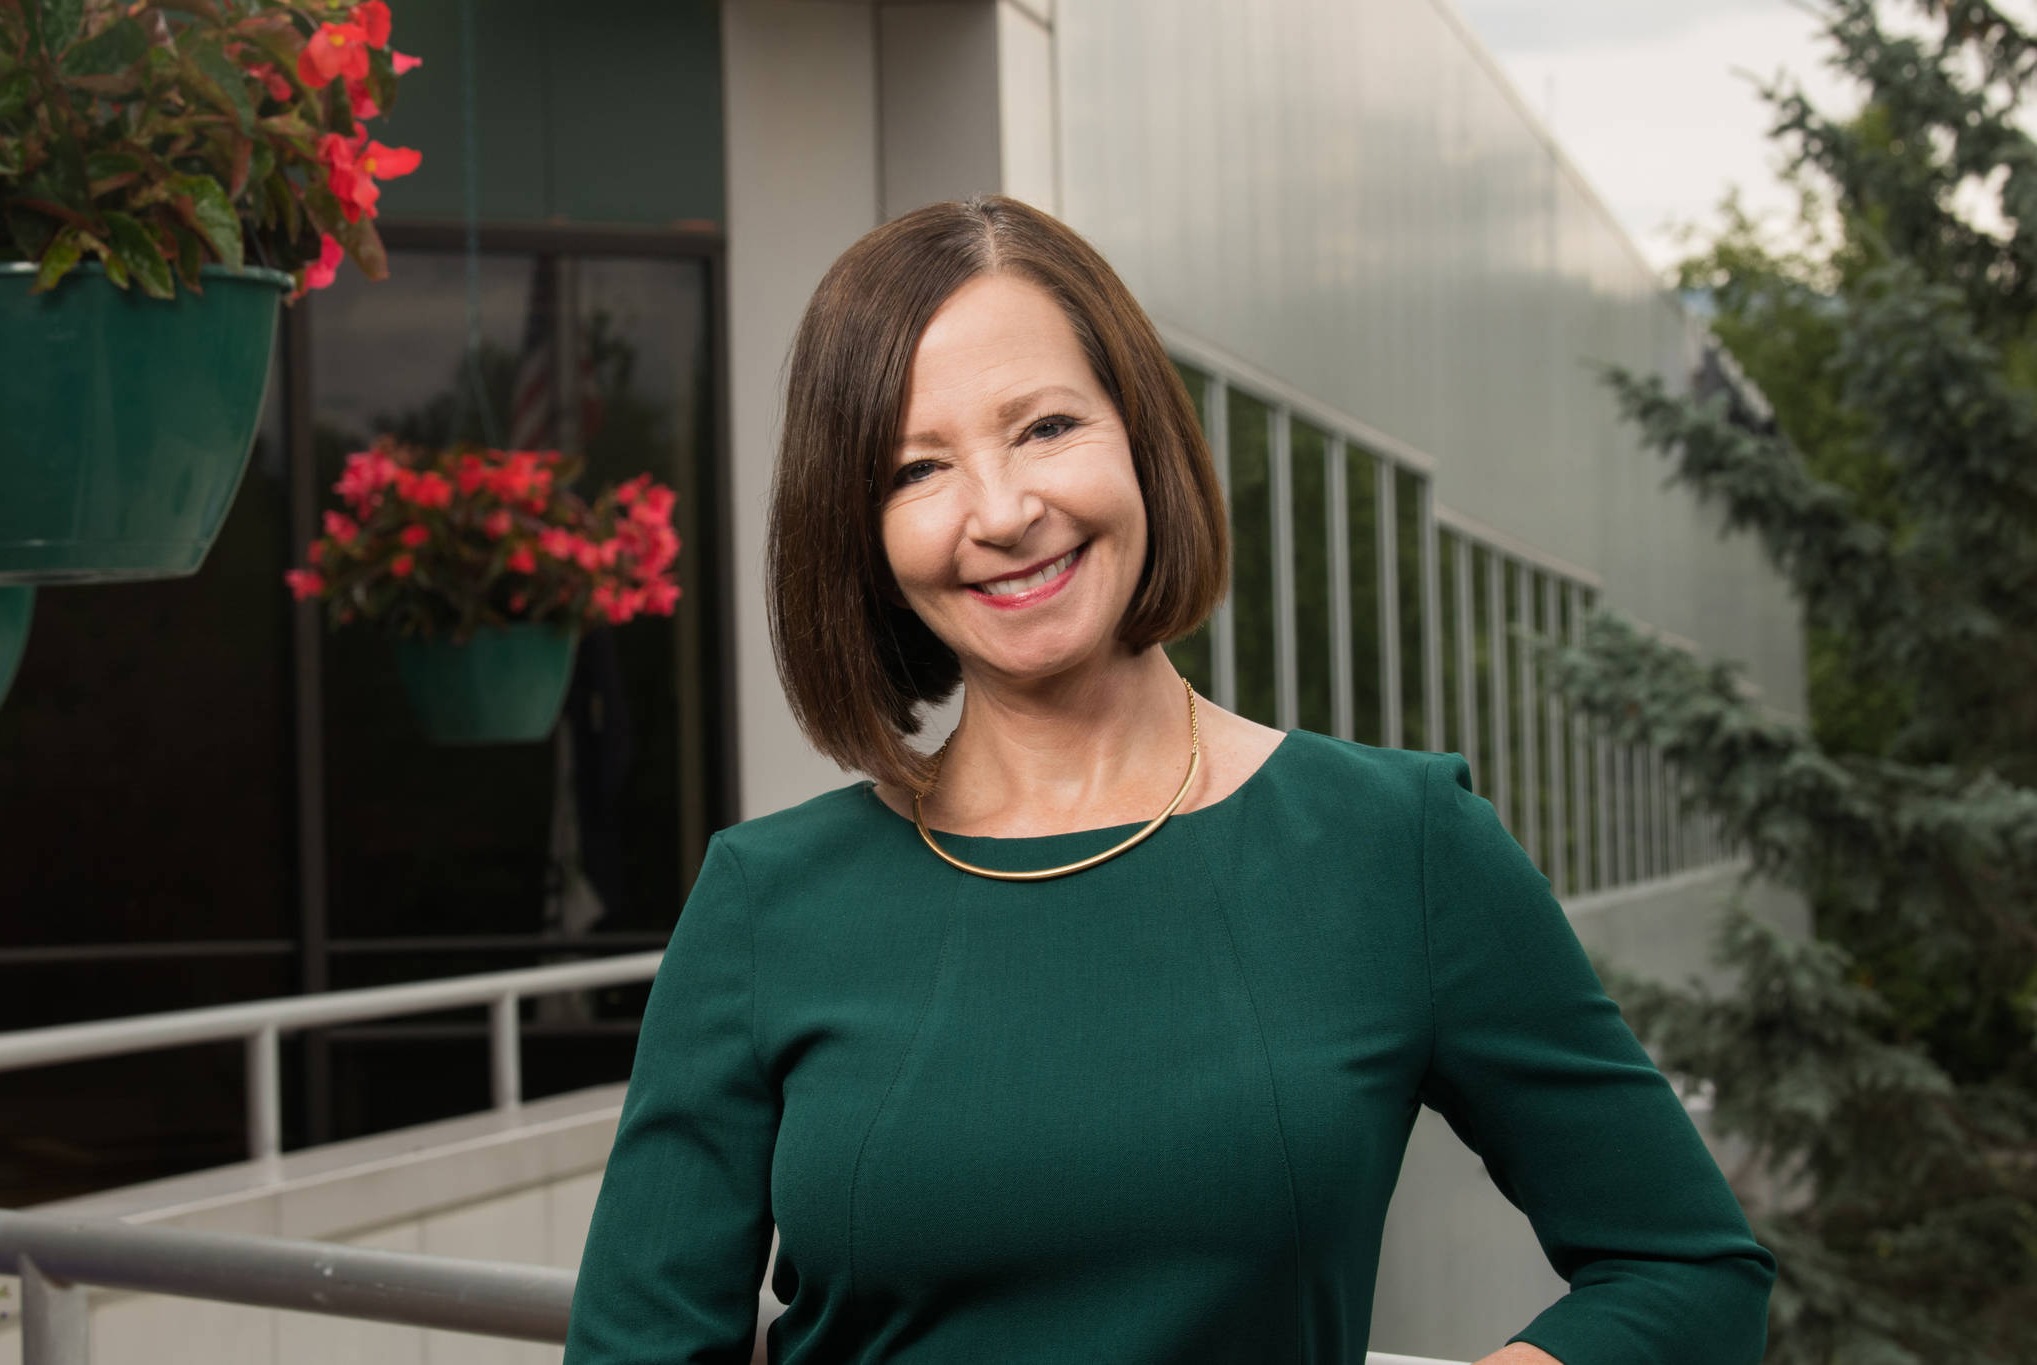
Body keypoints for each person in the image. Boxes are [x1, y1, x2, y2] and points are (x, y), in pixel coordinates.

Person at [563, 194, 1776, 1365]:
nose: (1001, 510)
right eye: (913, 470)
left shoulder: (1393, 847)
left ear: (1141, 437)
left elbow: (1683, 1269)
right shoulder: (765, 906)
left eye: (1044, 428)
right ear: (861, 538)